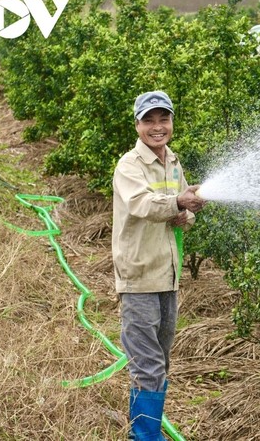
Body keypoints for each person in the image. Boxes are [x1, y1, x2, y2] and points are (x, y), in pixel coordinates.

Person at [112, 90, 206, 440]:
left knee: (159, 363)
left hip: (168, 277)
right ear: (137, 124)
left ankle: (148, 432)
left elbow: (178, 211)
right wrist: (177, 202)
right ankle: (146, 437)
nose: (157, 127)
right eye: (148, 120)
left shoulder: (173, 162)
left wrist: (187, 213)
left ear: (171, 122)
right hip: (138, 278)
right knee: (147, 364)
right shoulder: (129, 166)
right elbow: (142, 204)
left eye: (163, 119)